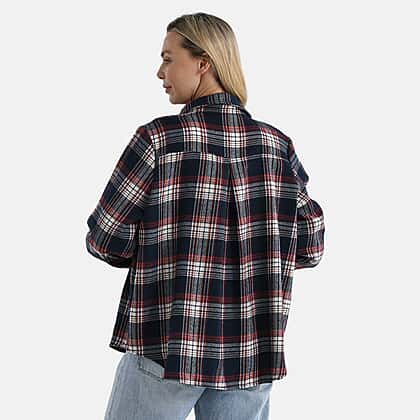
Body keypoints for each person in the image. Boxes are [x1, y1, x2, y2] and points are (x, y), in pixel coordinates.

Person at [85, 12, 325, 420]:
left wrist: (163, 244)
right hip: (251, 351)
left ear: (203, 62)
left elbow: (106, 238)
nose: (159, 71)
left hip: (168, 343)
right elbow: (311, 246)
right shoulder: (276, 147)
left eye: (168, 58)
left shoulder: (158, 140)